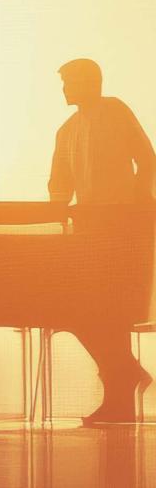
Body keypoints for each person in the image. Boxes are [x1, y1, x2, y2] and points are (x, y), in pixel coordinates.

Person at [45, 58, 155, 425]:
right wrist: (56, 225)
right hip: (89, 227)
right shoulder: (66, 130)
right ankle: (125, 374)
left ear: (89, 83)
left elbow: (147, 160)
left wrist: (138, 202)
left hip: (124, 223)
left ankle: (120, 393)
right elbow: (58, 187)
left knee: (115, 311)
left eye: (69, 82)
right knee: (84, 308)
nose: (64, 89)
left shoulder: (116, 111)